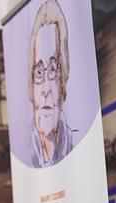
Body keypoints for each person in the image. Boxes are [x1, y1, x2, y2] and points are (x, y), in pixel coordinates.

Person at [28, 0, 73, 168]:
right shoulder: (24, 156)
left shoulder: (77, 146)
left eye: (53, 70)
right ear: (31, 89)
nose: (46, 90)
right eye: (39, 73)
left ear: (63, 86)